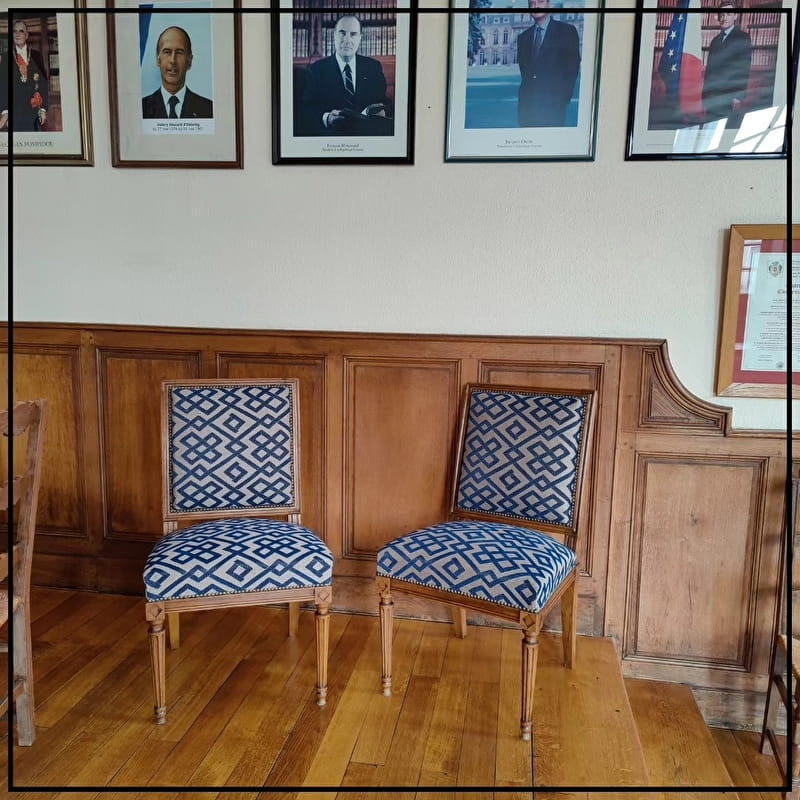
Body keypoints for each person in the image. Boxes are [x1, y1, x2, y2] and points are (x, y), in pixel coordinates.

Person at [296, 15, 392, 136]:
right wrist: (327, 118)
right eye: (342, 33)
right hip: (332, 138)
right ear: (334, 35)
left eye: (353, 34)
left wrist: (382, 110)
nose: (347, 40)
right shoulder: (316, 69)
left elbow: (385, 102)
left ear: (360, 38)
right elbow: (305, 110)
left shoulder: (373, 67)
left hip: (366, 138)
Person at [516, 0, 580, 128]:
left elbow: (572, 67)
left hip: (553, 107)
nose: (536, 6)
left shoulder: (566, 31)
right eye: (532, 3)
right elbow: (525, 72)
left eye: (540, 1)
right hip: (527, 108)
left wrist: (563, 98)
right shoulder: (523, 37)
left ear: (549, 4)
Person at [142, 26, 213, 119]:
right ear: (158, 60)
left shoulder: (208, 109)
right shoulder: (142, 108)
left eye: (179, 52)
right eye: (167, 52)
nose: (172, 60)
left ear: (189, 61)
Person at [702, 2, 752, 126]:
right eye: (722, 15)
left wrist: (738, 96)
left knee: (724, 129)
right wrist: (704, 94)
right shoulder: (715, 41)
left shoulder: (743, 38)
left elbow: (744, 69)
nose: (724, 18)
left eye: (728, 14)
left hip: (729, 96)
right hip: (711, 96)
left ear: (735, 16)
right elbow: (710, 70)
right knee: (710, 129)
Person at [11, 19, 48, 132]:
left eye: (21, 31)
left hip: (34, 111)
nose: (17, 34)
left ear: (26, 35)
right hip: (15, 112)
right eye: (14, 31)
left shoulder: (36, 55)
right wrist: (5, 112)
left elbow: (43, 83)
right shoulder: (6, 57)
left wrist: (43, 109)